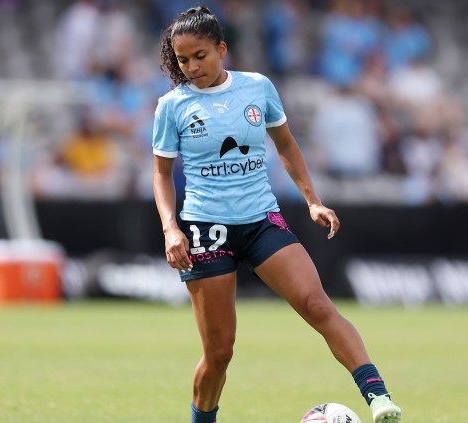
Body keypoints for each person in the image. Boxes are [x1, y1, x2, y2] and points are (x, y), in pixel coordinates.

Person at [151, 6, 402, 423]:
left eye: (200, 56)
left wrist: (313, 200)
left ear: (222, 49)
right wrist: (170, 229)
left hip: (261, 220)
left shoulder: (257, 87)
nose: (191, 67)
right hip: (206, 229)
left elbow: (285, 144)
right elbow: (161, 174)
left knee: (317, 305)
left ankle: (379, 397)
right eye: (183, 60)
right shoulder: (172, 106)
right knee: (219, 352)